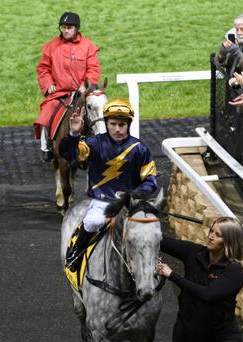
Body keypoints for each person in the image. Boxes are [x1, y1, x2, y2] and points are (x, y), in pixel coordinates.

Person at [60, 99, 157, 270]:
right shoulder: (94, 143)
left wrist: (134, 195)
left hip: (130, 204)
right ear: (106, 123)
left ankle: (152, 265)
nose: (118, 129)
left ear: (128, 124)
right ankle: (76, 251)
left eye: (122, 124)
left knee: (149, 229)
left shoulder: (140, 148)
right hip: (102, 202)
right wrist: (74, 135)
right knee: (93, 221)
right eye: (113, 124)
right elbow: (70, 155)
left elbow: (150, 180)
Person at [35, 12, 100, 164]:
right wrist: (48, 83)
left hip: (82, 93)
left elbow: (93, 69)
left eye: (69, 27)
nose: (65, 31)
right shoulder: (51, 46)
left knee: (98, 110)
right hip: (59, 93)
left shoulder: (88, 46)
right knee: (45, 114)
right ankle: (46, 147)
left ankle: (101, 143)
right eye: (63, 27)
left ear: (77, 28)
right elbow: (43, 69)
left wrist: (86, 86)